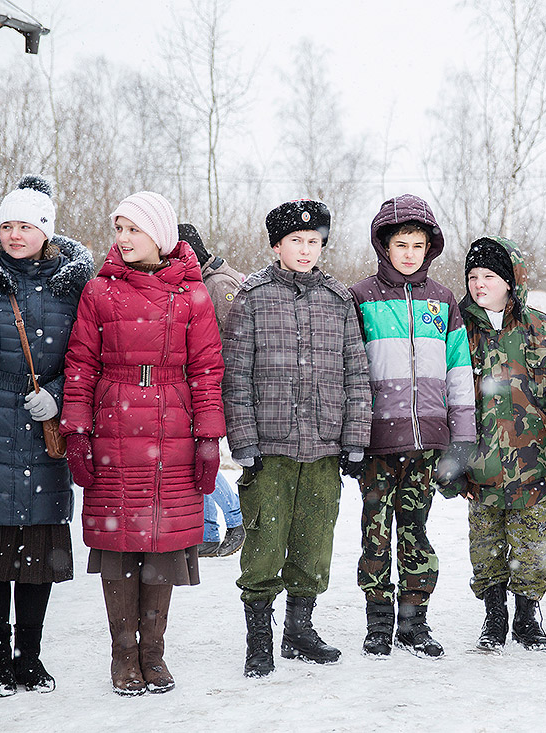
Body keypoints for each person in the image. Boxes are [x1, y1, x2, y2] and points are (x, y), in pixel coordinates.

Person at [60, 191, 225, 696]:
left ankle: (153, 653)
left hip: (173, 428)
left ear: (160, 234)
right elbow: (80, 365)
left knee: (163, 543)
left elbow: (207, 369)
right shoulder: (98, 291)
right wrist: (76, 431)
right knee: (119, 546)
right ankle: (123, 655)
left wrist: (208, 438)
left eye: (134, 229)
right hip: (114, 425)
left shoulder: (193, 295)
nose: (124, 238)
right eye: (119, 229)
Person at [0, 175, 93, 697]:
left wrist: (58, 393)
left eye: (25, 226)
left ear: (45, 230)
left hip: (45, 438)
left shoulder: (74, 287)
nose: (14, 235)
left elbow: (86, 359)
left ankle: (30, 657)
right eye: (6, 225)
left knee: (38, 559)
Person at [222, 200, 371, 678]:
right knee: (265, 545)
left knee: (314, 542)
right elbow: (235, 377)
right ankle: (259, 639)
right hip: (271, 447)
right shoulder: (252, 297)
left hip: (325, 445)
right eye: (295, 241)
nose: (306, 250)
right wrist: (243, 441)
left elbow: (357, 374)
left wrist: (355, 438)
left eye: (314, 241)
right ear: (276, 246)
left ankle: (299, 630)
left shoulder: (338, 300)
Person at [350, 193, 475, 659]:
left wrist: (463, 437)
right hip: (378, 440)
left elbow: (459, 371)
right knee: (376, 531)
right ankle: (379, 621)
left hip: (427, 441)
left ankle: (413, 622)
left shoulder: (443, 301)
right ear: (385, 246)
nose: (409, 254)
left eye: (417, 245)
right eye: (400, 245)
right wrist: (353, 436)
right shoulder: (361, 297)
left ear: (429, 249)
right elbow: (351, 372)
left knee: (415, 531)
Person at [454, 235, 546, 653]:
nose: (479, 284)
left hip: (532, 463)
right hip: (479, 465)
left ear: (511, 280)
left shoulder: (544, 331)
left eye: (489, 276)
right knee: (484, 545)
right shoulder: (457, 330)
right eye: (472, 276)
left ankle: (526, 617)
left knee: (531, 545)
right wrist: (453, 466)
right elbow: (445, 400)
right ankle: (494, 615)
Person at [179, 222, 246, 558]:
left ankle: (236, 519)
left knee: (198, 457)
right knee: (197, 457)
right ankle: (208, 531)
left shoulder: (218, 285)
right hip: (202, 383)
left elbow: (235, 342)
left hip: (216, 386)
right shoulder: (203, 280)